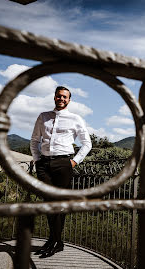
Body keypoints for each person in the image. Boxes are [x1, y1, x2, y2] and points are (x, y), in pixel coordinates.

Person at [30, 86, 92, 258]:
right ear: (54, 97)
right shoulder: (43, 117)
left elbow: (87, 143)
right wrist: (36, 160)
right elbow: (35, 140)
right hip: (44, 164)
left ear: (69, 100)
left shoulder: (75, 118)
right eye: (59, 96)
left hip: (63, 164)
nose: (62, 99)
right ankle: (56, 241)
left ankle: (54, 241)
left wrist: (74, 162)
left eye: (65, 97)